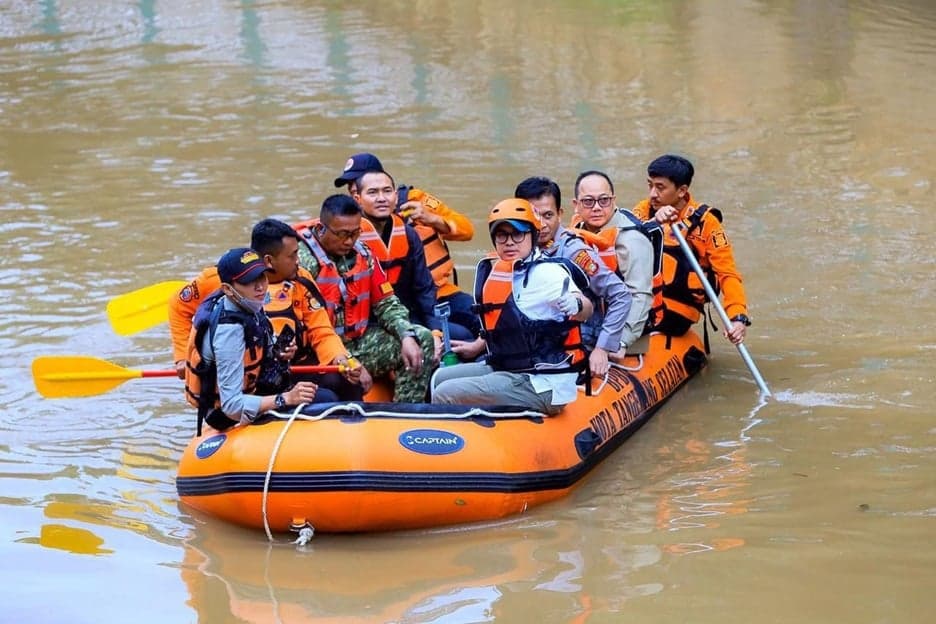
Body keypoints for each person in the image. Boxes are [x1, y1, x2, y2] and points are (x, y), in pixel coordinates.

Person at [169, 219, 365, 401]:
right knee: (325, 398)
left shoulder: (301, 279)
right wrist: (182, 357)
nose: (298, 261)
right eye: (292, 255)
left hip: (292, 367)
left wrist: (341, 358)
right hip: (250, 374)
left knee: (347, 383)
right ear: (269, 261)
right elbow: (179, 306)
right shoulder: (220, 279)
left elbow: (321, 329)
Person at [431, 198, 593, 415]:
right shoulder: (501, 271)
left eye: (517, 234)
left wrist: (576, 303)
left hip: (541, 383)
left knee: (446, 391)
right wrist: (477, 346)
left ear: (533, 236)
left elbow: (586, 308)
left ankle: (450, 445)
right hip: (509, 368)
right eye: (501, 235)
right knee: (440, 378)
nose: (509, 242)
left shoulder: (547, 273)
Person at [295, 194, 435, 403]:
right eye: (342, 234)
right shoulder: (304, 263)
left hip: (357, 342)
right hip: (320, 352)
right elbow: (307, 327)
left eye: (355, 233)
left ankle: (405, 412)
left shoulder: (364, 254)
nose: (349, 241)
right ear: (321, 229)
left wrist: (406, 334)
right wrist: (348, 361)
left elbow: (387, 303)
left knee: (421, 338)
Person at [333, 153, 480, 342]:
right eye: (351, 185)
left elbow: (467, 230)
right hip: (399, 301)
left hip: (441, 290)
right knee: (457, 335)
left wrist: (432, 219)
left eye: (385, 190)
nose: (353, 187)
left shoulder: (417, 199)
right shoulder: (351, 225)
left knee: (483, 318)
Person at [183, 248, 321, 433]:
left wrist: (278, 352)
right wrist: (285, 398)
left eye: (262, 277)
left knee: (327, 395)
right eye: (249, 281)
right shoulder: (229, 333)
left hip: (255, 391)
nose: (260, 286)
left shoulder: (248, 304)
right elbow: (231, 405)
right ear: (227, 289)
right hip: (226, 416)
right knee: (326, 400)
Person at [514, 176, 632, 378]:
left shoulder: (574, 252)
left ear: (560, 214)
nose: (541, 224)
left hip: (573, 343)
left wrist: (602, 349)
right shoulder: (514, 248)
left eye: (548, 215)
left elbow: (620, 295)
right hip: (533, 339)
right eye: (534, 216)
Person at [633, 154, 750, 345]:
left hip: (676, 311)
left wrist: (738, 317)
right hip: (642, 300)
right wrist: (653, 223)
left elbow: (727, 273)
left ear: (682, 191)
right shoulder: (644, 211)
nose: (652, 194)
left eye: (660, 187)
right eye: (650, 185)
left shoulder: (706, 223)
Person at [569, 170, 663, 357]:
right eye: (588, 201)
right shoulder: (575, 234)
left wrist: (620, 341)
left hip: (624, 339)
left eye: (604, 200)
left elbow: (640, 295)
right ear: (576, 205)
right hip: (586, 330)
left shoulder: (632, 240)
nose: (596, 207)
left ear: (613, 200)